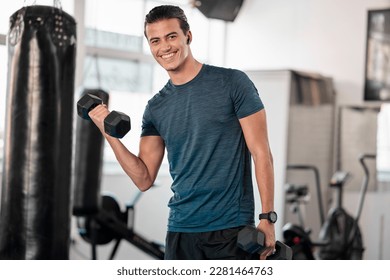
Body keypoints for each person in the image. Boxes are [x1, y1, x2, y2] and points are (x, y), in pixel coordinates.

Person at [88, 5, 276, 260]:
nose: (164, 47)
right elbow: (144, 179)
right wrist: (110, 136)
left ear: (188, 36)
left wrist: (267, 217)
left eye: (171, 36)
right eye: (155, 40)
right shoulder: (156, 108)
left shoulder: (233, 83)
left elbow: (261, 152)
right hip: (180, 231)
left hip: (230, 229)